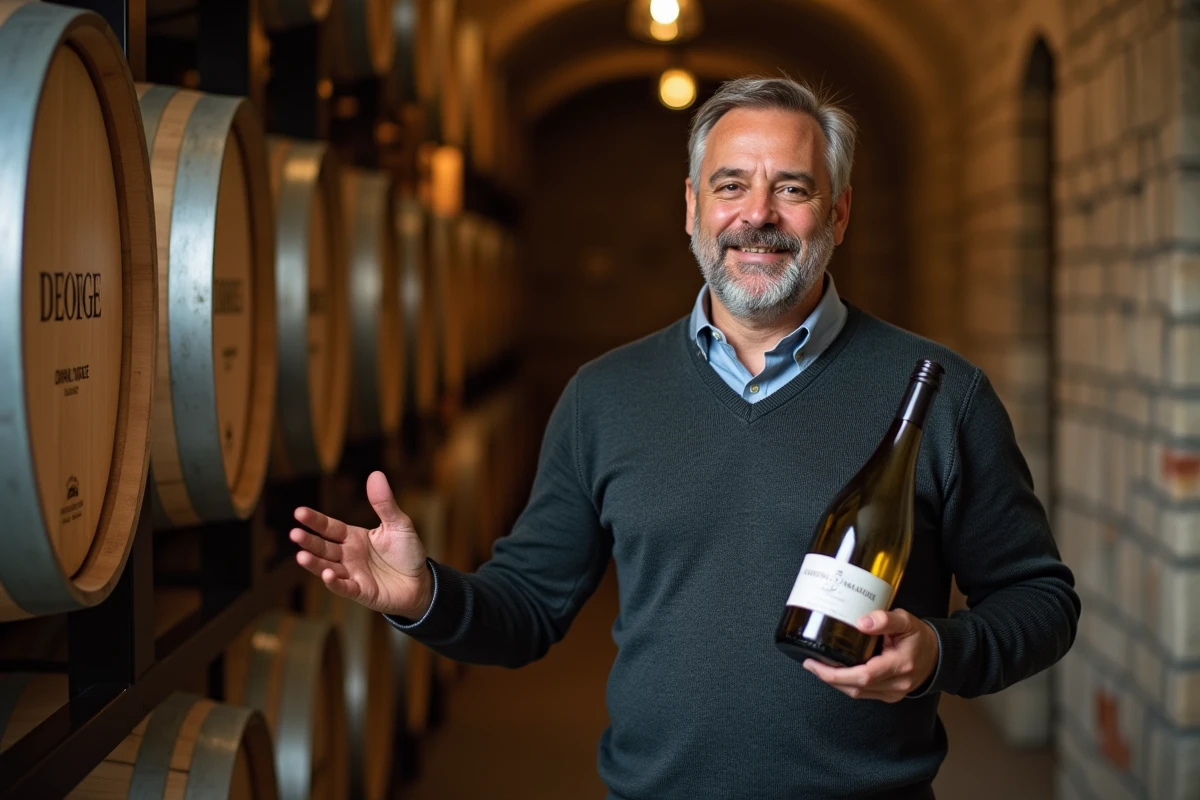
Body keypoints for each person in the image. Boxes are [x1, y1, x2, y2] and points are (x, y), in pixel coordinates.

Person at [290, 76, 1080, 799]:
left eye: (793, 187)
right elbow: (528, 606)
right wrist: (424, 596)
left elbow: (1041, 602)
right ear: (693, 208)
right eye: (730, 185)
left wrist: (939, 652)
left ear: (838, 214)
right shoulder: (604, 396)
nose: (758, 214)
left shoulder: (939, 395)